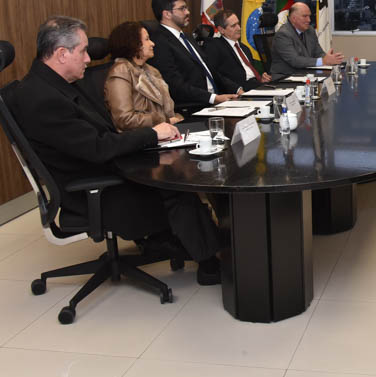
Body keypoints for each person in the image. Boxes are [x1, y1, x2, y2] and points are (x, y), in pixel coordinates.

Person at [11, 16, 221, 285]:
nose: (88, 58)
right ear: (62, 54)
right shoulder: (43, 98)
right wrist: (152, 134)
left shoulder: (50, 85)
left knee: (172, 170)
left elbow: (98, 136)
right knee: (177, 188)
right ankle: (210, 263)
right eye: (83, 51)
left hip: (97, 169)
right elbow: (98, 148)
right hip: (92, 189)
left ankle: (176, 242)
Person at [147, 0, 240, 109]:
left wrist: (238, 89)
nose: (188, 12)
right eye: (182, 9)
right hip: (193, 107)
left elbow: (209, 70)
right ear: (167, 14)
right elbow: (175, 85)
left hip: (214, 101)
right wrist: (213, 98)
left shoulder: (187, 37)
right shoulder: (159, 43)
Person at [104, 21, 183, 132]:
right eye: (147, 39)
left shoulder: (151, 70)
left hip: (164, 133)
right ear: (134, 43)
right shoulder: (121, 70)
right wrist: (164, 120)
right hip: (140, 138)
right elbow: (124, 119)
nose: (152, 44)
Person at [271, 2, 344, 78]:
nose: (309, 20)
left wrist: (329, 59)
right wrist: (323, 61)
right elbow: (295, 60)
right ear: (293, 18)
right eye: (305, 16)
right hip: (284, 78)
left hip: (306, 74)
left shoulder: (310, 30)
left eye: (309, 16)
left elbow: (318, 52)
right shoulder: (283, 34)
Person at [205, 9, 271, 91]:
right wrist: (237, 89)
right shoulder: (215, 46)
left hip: (257, 86)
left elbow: (250, 72)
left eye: (238, 24)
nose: (239, 28)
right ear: (221, 30)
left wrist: (261, 79)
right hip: (239, 91)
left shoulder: (245, 48)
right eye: (233, 26)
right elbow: (215, 74)